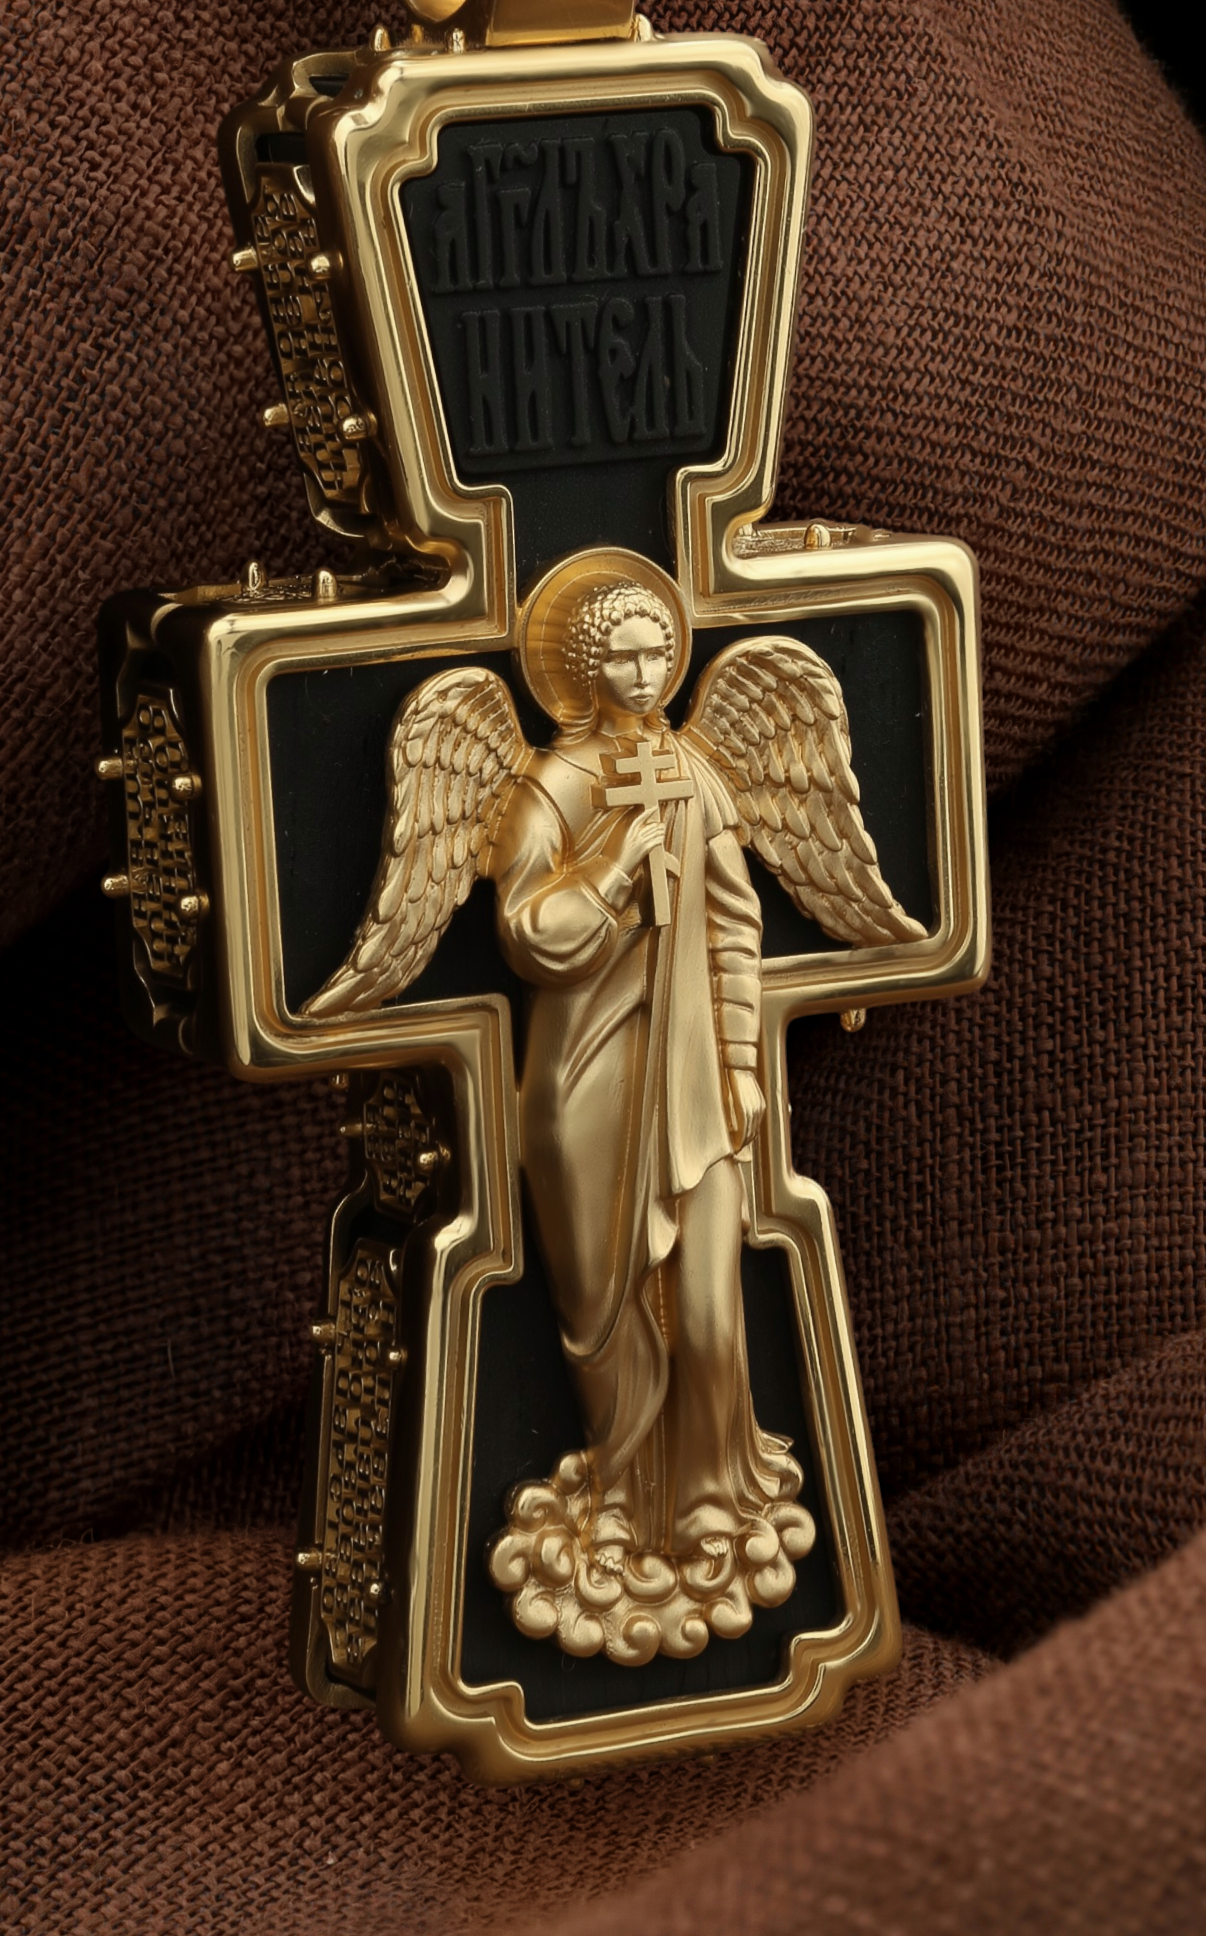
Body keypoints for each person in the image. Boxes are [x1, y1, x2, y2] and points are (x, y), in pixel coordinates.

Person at [485, 575, 814, 1662]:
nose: (642, 675)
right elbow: (528, 932)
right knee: (599, 1304)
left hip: (696, 1077)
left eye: (655, 654)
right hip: (583, 1070)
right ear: (584, 668)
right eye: (620, 656)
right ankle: (619, 1495)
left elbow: (733, 925)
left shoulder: (695, 774)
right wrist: (617, 860)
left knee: (711, 1312)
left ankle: (712, 1503)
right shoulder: (550, 785)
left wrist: (740, 1062)